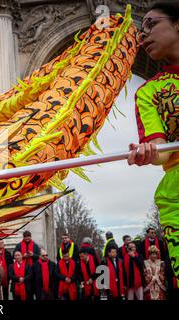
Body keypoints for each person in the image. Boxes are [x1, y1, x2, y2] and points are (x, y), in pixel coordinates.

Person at [127, 2, 179, 295]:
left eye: (150, 24)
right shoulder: (148, 92)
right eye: (140, 28)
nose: (141, 35)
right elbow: (163, 148)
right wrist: (148, 152)